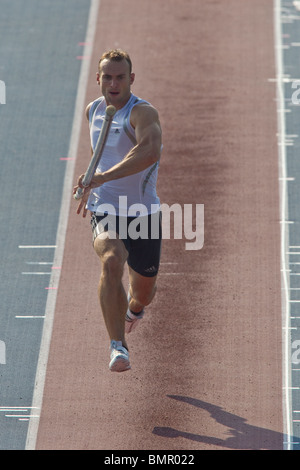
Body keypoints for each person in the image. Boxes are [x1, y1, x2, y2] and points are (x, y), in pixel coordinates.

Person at [73, 49, 162, 372]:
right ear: (98, 79)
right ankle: (117, 347)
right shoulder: (93, 111)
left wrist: (101, 177)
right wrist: (89, 183)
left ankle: (134, 309)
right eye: (107, 77)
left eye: (120, 77)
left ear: (131, 79)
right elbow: (102, 153)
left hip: (143, 214)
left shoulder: (143, 113)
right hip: (105, 207)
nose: (113, 83)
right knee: (111, 260)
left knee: (144, 293)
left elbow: (149, 152)